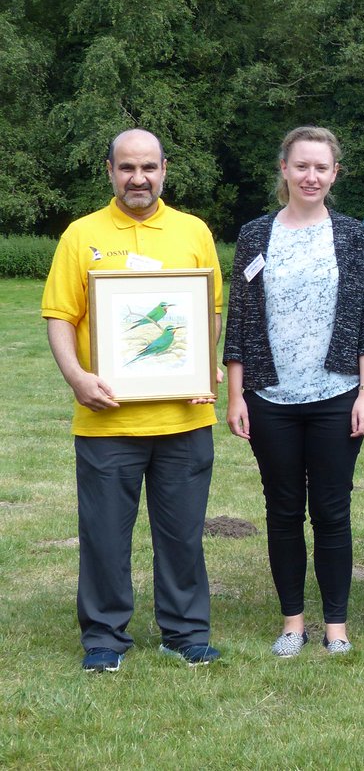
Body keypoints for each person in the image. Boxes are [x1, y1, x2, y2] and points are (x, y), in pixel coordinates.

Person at [43, 128, 224, 672]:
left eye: (148, 167)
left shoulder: (193, 231)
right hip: (107, 420)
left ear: (164, 169)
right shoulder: (81, 235)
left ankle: (185, 632)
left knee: (183, 535)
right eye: (127, 167)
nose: (138, 178)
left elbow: (210, 309)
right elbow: (59, 316)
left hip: (183, 417)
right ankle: (104, 637)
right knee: (103, 536)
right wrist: (77, 378)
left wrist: (203, 364)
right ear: (110, 171)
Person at [224, 126, 364, 656]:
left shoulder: (353, 235)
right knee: (284, 511)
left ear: (335, 174)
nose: (310, 176)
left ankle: (336, 626)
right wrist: (236, 395)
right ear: (284, 170)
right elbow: (241, 321)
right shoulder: (255, 235)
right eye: (301, 166)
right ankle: (293, 623)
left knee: (333, 512)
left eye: (321, 167)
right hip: (270, 398)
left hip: (338, 395)